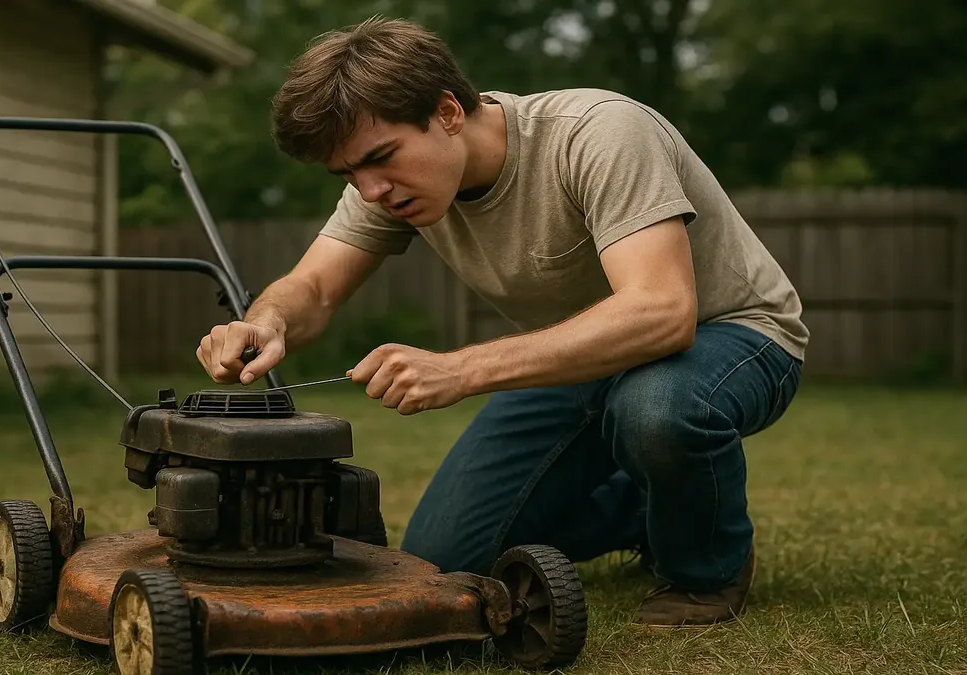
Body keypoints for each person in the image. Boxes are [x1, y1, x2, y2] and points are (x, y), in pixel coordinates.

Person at [195, 16, 807, 627]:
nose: (370, 189)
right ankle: (653, 508)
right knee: (444, 564)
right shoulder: (388, 186)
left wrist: (462, 368)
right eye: (349, 174)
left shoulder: (596, 134)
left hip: (731, 336)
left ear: (448, 113)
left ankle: (705, 571)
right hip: (576, 364)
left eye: (380, 158)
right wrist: (267, 320)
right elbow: (314, 287)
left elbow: (662, 312)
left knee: (655, 408)